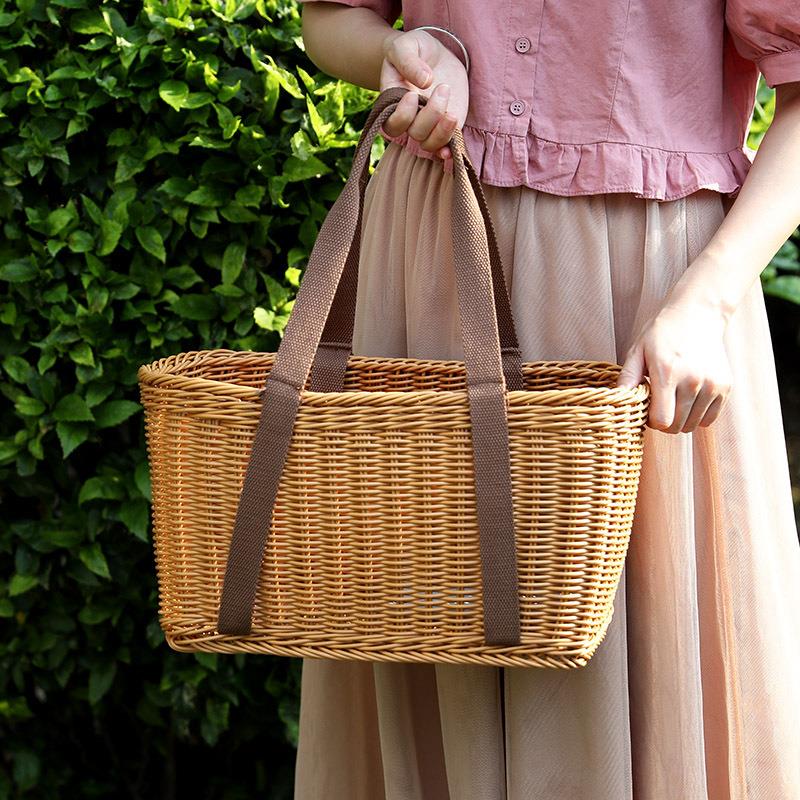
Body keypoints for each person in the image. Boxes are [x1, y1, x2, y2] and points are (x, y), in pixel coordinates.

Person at [294, 1, 800, 797]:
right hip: (435, 266)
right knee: (428, 630)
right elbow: (329, 22)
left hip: (647, 306)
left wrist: (708, 303)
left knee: (632, 661)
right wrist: (400, 52)